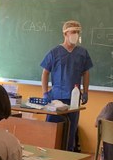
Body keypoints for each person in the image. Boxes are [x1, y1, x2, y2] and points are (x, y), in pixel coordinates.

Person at [40, 19, 93, 152]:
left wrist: (85, 91)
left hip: (74, 98)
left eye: (78, 32)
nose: (76, 34)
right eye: (73, 32)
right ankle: (48, 155)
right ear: (65, 34)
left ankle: (67, 156)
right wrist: (45, 92)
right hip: (56, 97)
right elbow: (45, 72)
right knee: (53, 129)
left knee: (71, 129)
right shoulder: (55, 52)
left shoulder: (82, 53)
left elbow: (86, 72)